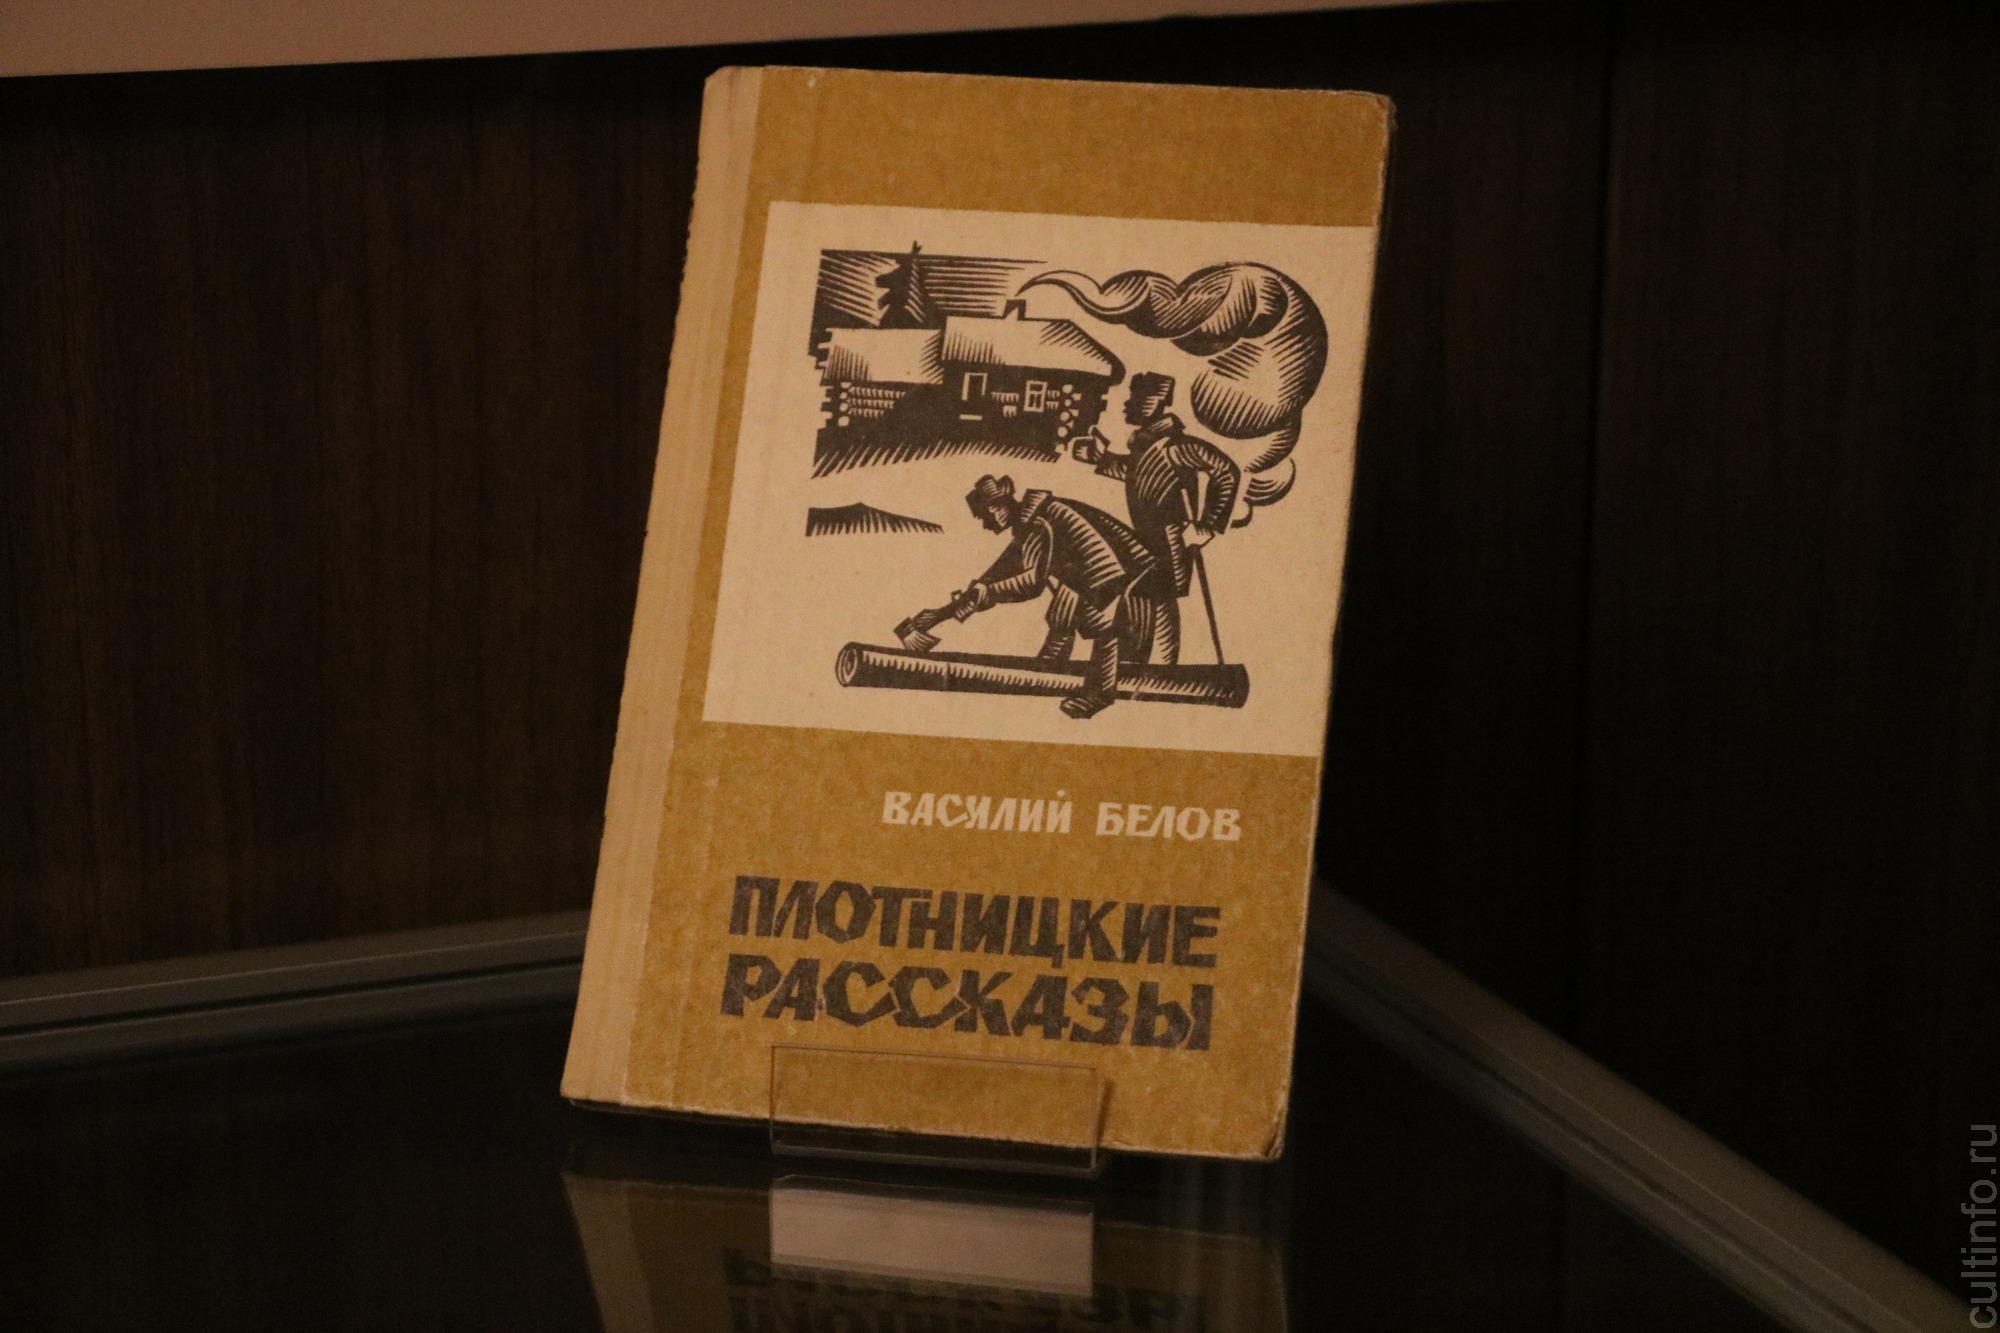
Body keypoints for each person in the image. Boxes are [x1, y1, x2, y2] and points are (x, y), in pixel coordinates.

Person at [902, 475, 1159, 719]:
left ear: (997, 506)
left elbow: (1032, 582)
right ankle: (1051, 666)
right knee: (1061, 612)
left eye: (984, 516)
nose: (986, 525)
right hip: (1101, 573)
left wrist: (986, 593)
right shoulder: (1032, 520)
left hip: (1121, 573)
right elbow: (1001, 569)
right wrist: (945, 612)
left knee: (1097, 622)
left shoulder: (1038, 523)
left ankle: (1099, 693)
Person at [1073, 372, 1240, 665]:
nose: (1129, 403)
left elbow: (1226, 471)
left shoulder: (1177, 447)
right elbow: (1139, 475)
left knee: (1154, 599)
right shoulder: (1147, 446)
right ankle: (1153, 665)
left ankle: (1157, 666)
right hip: (1145, 536)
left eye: (1138, 397)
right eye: (1131, 396)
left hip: (1170, 540)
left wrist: (1209, 524)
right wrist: (1102, 459)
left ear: (1159, 401)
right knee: (1148, 600)